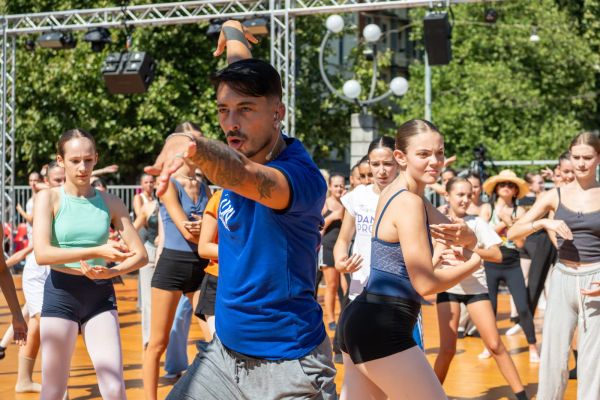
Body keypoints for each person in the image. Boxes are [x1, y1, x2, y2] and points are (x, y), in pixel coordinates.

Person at [146, 20, 336, 399]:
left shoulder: (298, 177)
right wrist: (233, 31)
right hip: (223, 356)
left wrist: (188, 142)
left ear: (278, 112)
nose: (231, 124)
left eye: (245, 110)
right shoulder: (250, 135)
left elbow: (243, 174)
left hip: (288, 367)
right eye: (223, 110)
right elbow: (242, 73)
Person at [338, 119, 481, 399]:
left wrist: (470, 237)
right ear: (401, 157)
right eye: (424, 154)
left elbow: (455, 234)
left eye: (439, 153)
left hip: (363, 319)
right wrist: (474, 264)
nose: (435, 162)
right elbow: (425, 284)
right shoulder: (410, 202)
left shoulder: (401, 194)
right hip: (382, 327)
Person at [33, 129, 147, 400]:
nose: (82, 167)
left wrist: (113, 271)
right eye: (74, 161)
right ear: (60, 160)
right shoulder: (48, 198)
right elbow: (42, 254)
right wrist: (98, 250)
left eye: (87, 160)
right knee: (53, 389)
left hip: (99, 295)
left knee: (114, 387)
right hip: (61, 294)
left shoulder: (110, 202)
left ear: (96, 158)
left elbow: (140, 255)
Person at [508, 132, 600, 400]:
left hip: (595, 279)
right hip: (562, 277)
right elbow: (514, 232)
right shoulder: (554, 195)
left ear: (598, 158)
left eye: (587, 157)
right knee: (553, 358)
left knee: (593, 361)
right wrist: (543, 222)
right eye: (576, 157)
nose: (581, 163)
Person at [434, 177, 529, 400]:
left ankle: (522, 396)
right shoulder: (436, 223)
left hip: (476, 289)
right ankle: (431, 394)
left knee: (495, 345)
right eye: (460, 194)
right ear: (447, 195)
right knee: (447, 349)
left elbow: (496, 255)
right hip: (448, 289)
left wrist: (469, 252)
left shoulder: (477, 223)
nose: (466, 199)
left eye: (469, 195)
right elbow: (428, 259)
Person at [143, 122, 211, 399]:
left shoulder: (205, 186)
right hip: (172, 265)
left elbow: (209, 229)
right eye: (193, 143)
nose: (198, 149)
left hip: (201, 267)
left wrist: (204, 229)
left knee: (215, 339)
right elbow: (186, 229)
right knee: (157, 343)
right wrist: (204, 229)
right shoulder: (168, 184)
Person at [480, 170, 540, 361]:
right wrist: (503, 224)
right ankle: (489, 346)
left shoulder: (519, 211)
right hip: (490, 262)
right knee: (490, 308)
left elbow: (521, 243)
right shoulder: (487, 208)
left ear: (515, 190)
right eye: (502, 184)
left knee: (523, 307)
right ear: (496, 188)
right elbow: (481, 237)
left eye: (510, 185)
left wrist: (510, 224)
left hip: (512, 262)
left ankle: (532, 346)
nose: (506, 187)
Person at [133, 185, 160, 349]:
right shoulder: (148, 207)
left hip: (169, 253)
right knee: (148, 300)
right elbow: (132, 229)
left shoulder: (180, 206)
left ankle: (165, 338)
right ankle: (148, 340)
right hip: (150, 252)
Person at [196, 189, 223, 339]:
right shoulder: (219, 198)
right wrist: (244, 255)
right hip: (218, 280)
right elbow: (204, 248)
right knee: (219, 343)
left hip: (256, 283)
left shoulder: (266, 199)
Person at [321, 173, 346, 330]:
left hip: (343, 248)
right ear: (330, 187)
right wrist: (333, 216)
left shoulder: (347, 202)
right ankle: (331, 319)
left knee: (346, 286)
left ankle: (344, 317)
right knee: (332, 285)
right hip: (328, 247)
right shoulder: (324, 203)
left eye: (341, 185)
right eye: (336, 186)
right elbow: (318, 227)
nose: (339, 188)